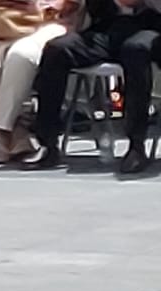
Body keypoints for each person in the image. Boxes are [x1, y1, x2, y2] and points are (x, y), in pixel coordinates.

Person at [25, 0, 161, 173]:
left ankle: (136, 146)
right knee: (57, 50)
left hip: (151, 28)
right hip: (108, 28)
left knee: (135, 50)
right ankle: (47, 144)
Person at [0, 0, 80, 163]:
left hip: (49, 22)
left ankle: (2, 132)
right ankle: (17, 134)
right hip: (2, 22)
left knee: (20, 55)